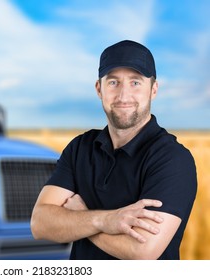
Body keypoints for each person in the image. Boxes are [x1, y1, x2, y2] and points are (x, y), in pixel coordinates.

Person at [30, 40, 197, 260]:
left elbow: (141, 252)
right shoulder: (80, 148)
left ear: (153, 89)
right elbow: (40, 223)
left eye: (135, 82)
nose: (123, 95)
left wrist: (80, 215)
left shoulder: (173, 159)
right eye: (113, 82)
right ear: (99, 89)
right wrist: (104, 221)